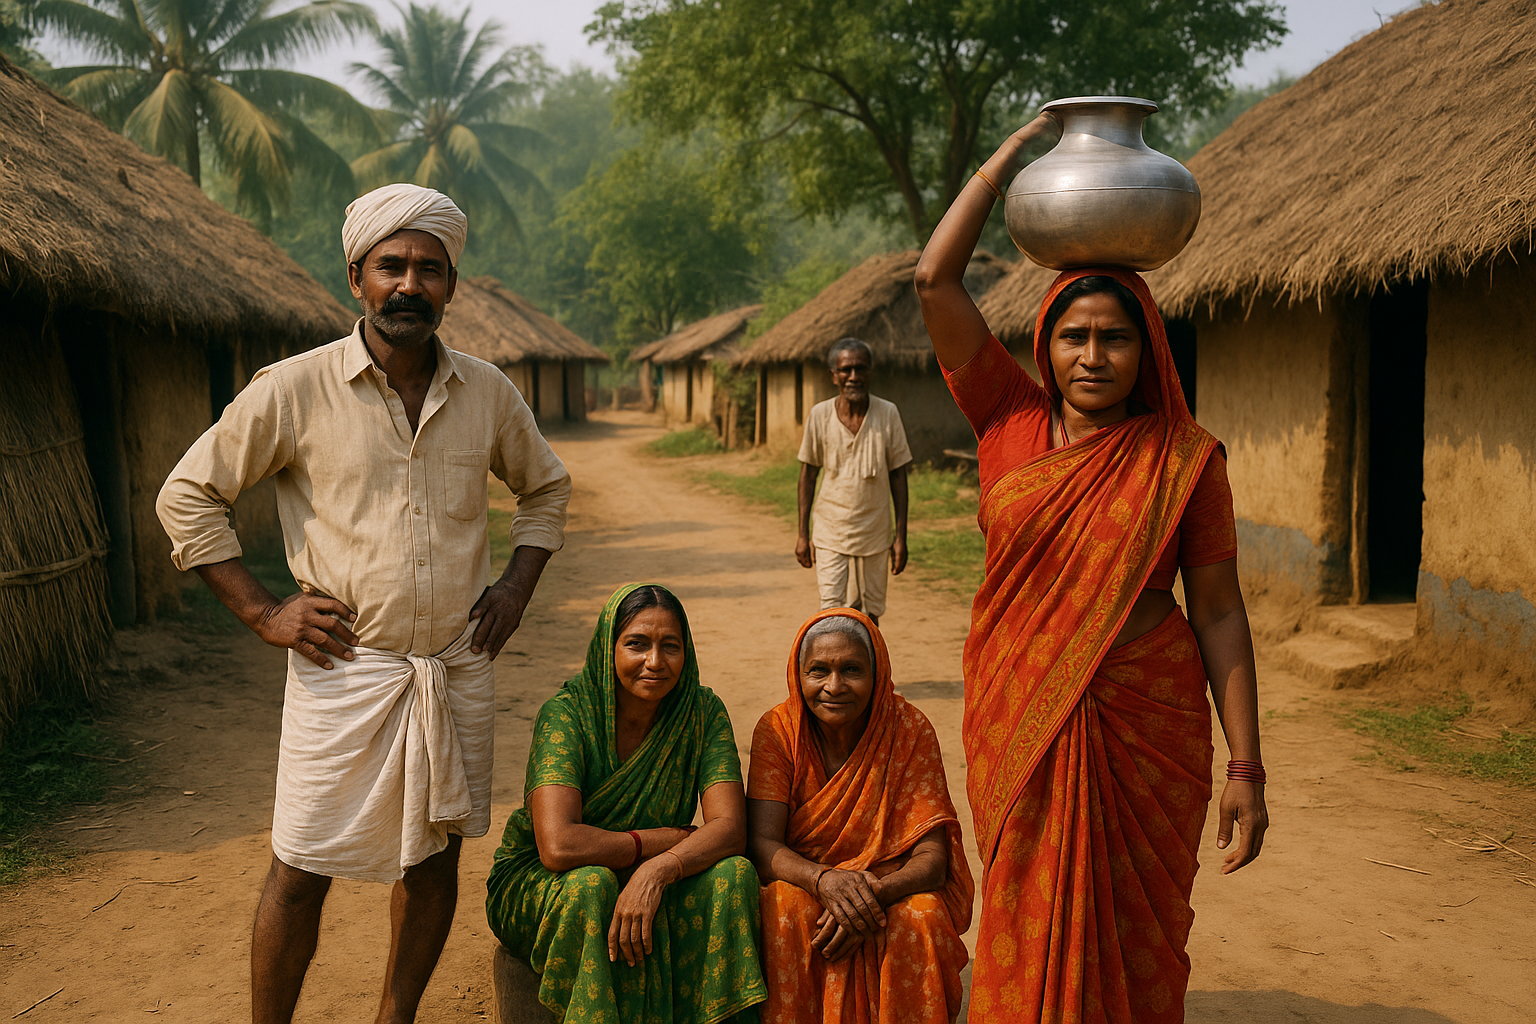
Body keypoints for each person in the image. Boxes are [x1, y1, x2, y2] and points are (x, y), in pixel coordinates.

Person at [156, 183, 572, 1024]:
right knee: (301, 863)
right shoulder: (295, 388)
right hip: (343, 672)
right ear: (357, 277)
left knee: (434, 859)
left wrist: (518, 585)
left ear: (452, 285)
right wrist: (264, 613)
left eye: (430, 268)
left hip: (453, 670)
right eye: (392, 266)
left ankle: (396, 1018)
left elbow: (547, 490)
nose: (409, 284)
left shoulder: (487, 391)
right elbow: (187, 495)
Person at [912, 113, 1270, 1024]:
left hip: (1149, 717)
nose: (1093, 357)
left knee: (1138, 924)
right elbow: (932, 278)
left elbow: (1221, 613)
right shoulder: (1008, 423)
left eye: (1115, 338)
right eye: (1075, 337)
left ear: (1147, 348)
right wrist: (1010, 157)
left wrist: (1247, 768)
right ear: (1047, 343)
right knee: (1030, 913)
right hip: (1024, 709)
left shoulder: (1186, 458)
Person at [485, 584, 768, 1023]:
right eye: (637, 644)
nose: (655, 662)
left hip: (649, 870)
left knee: (734, 875)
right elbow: (559, 846)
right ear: (607, 647)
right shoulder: (568, 713)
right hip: (540, 880)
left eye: (670, 646)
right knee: (592, 885)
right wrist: (658, 842)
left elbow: (730, 829)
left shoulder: (701, 711)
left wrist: (658, 868)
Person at [747, 609, 973, 1024]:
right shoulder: (778, 730)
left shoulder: (909, 729)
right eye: (819, 671)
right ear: (799, 676)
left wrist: (869, 896)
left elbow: (932, 859)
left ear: (878, 673)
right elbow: (762, 845)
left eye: (852, 670)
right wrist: (823, 880)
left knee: (922, 915)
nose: (834, 686)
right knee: (786, 906)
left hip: (886, 885)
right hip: (809, 879)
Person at [795, 338, 913, 626]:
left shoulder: (888, 414)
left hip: (875, 532)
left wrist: (900, 538)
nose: (854, 377)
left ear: (870, 372)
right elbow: (808, 476)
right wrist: (802, 535)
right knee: (831, 611)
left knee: (871, 613)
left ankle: (870, 671)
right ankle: (836, 669)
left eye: (860, 369)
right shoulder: (820, 416)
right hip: (830, 531)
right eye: (846, 370)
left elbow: (899, 476)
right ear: (833, 375)